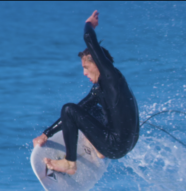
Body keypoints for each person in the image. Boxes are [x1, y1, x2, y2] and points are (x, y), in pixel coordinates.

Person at [32, 11, 139, 176]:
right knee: (90, 109)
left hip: (115, 145)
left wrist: (89, 24)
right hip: (127, 143)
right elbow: (80, 109)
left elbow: (89, 38)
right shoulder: (106, 86)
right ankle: (99, 148)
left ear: (98, 63)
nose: (84, 73)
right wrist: (46, 134)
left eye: (86, 68)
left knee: (68, 108)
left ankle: (69, 163)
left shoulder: (109, 75)